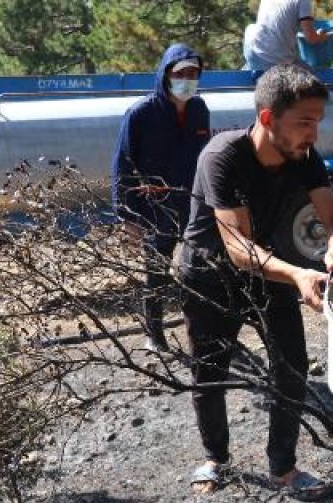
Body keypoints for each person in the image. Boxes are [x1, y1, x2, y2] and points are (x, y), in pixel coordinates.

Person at [179, 63, 333, 497]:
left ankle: (283, 468)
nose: (313, 133)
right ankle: (216, 459)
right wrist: (298, 273)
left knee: (291, 366)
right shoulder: (223, 157)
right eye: (304, 122)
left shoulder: (304, 156)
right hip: (210, 275)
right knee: (210, 372)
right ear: (268, 118)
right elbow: (237, 247)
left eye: (317, 121)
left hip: (269, 269)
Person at [112, 44, 210, 352]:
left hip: (192, 203)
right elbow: (123, 165)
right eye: (181, 74)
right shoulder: (141, 114)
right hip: (157, 206)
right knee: (156, 274)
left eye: (193, 74)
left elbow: (205, 158)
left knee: (200, 269)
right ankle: (154, 335)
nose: (187, 80)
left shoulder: (199, 109)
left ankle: (202, 332)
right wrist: (127, 215)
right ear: (166, 75)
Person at [243, 0, 331, 72]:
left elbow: (278, 22)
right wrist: (322, 36)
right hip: (273, 59)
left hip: (251, 51)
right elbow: (311, 38)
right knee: (312, 78)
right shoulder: (303, 1)